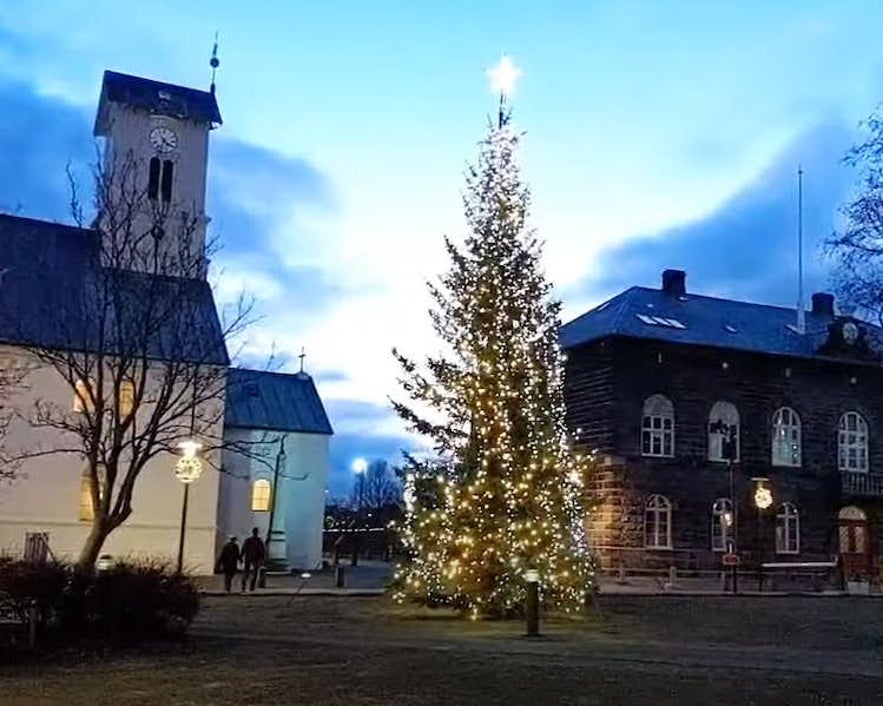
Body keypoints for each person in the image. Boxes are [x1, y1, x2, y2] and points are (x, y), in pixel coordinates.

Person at [240, 527, 266, 592]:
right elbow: (262, 551)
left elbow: (243, 549)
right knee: (254, 573)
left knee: (247, 573)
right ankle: (251, 587)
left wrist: (241, 557)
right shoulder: (259, 541)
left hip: (249, 557)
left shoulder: (248, 540)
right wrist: (262, 559)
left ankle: (244, 587)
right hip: (255, 558)